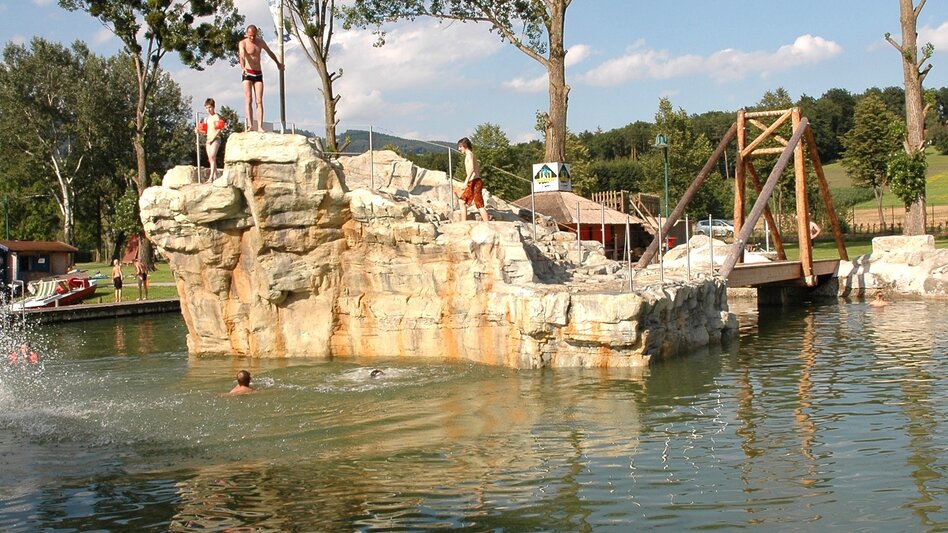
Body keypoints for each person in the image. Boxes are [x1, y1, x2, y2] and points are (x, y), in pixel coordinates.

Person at [238, 24, 284, 132]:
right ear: (247, 34)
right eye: (250, 36)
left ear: (256, 34)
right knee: (249, 99)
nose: (252, 38)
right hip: (247, 72)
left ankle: (260, 126)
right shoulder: (243, 43)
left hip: (258, 73)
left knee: (259, 100)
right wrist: (243, 66)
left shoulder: (260, 42)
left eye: (254, 36)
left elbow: (269, 52)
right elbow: (241, 54)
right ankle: (250, 125)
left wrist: (278, 63)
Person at [457, 137, 490, 222]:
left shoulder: (469, 154)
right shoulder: (469, 155)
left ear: (465, 146)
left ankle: (487, 223)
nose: (459, 149)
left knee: (478, 204)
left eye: (460, 146)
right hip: (474, 181)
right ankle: (464, 222)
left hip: (474, 182)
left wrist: (465, 181)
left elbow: (471, 168)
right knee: (463, 201)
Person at [200, 98, 224, 179]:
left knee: (212, 156)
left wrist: (213, 138)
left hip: (215, 139)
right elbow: (205, 131)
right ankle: (215, 176)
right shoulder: (206, 119)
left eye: (210, 107)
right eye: (207, 108)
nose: (208, 110)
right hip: (208, 139)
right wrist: (198, 131)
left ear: (213, 107)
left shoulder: (216, 116)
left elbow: (219, 129)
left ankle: (210, 177)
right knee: (210, 158)